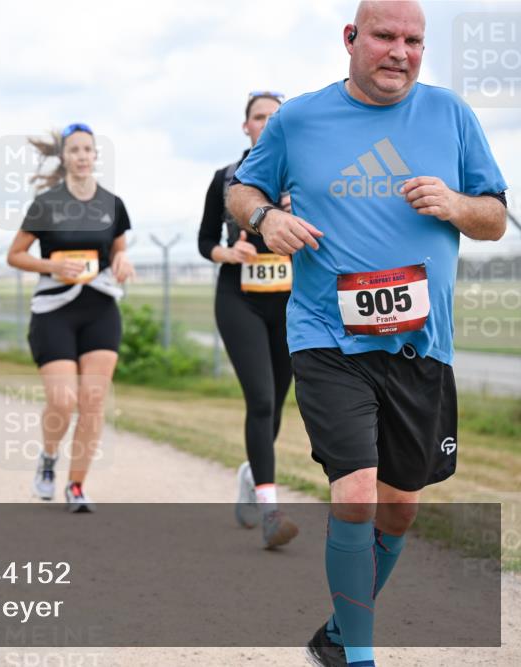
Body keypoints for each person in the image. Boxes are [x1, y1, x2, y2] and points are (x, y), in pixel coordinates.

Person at [226, 2, 507, 664]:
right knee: (355, 491)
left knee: (399, 508)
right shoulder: (299, 119)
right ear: (351, 39)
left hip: (420, 344)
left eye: (414, 40)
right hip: (328, 334)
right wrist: (265, 218)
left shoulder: (452, 116)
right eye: (385, 36)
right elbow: (241, 189)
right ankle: (360, 656)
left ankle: (335, 635)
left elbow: (494, 216)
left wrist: (456, 204)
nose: (400, 51)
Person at [7, 123, 135, 513]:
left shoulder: (113, 204)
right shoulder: (46, 203)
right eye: (74, 149)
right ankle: (48, 459)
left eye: (88, 150)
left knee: (93, 401)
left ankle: (76, 486)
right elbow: (15, 255)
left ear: (96, 156)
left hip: (100, 309)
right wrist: (51, 266)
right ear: (64, 157)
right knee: (63, 401)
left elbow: (117, 251)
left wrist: (122, 259)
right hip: (54, 310)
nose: (82, 156)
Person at [198, 91, 299, 550]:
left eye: (275, 117)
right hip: (238, 298)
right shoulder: (225, 178)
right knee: (260, 400)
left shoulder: (303, 178)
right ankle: (271, 511)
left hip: (291, 302)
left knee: (275, 403)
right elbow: (204, 242)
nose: (266, 123)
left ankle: (250, 475)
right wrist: (229, 251)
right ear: (246, 126)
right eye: (259, 117)